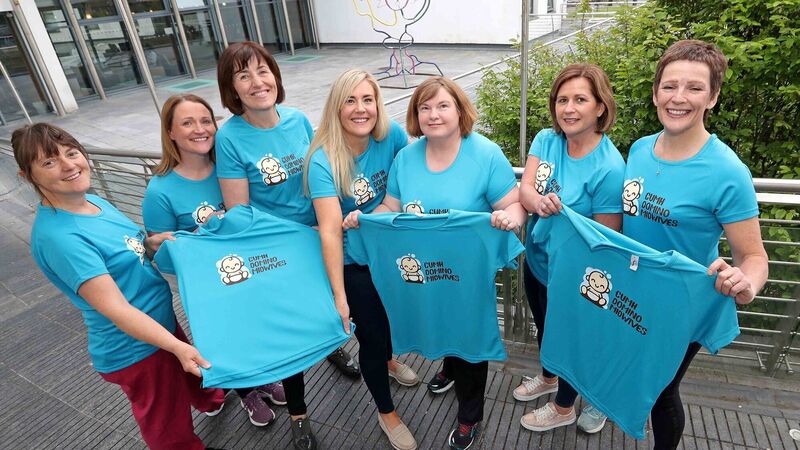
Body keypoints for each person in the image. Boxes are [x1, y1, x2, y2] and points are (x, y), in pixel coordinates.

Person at [11, 123, 225, 450]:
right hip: (134, 347)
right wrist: (176, 346)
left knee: (190, 376)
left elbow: (129, 250)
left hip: (159, 323)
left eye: (71, 153)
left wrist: (150, 244)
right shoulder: (61, 238)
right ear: (27, 176)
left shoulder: (95, 203)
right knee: (166, 422)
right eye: (49, 162)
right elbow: (118, 310)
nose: (69, 165)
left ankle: (211, 401)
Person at [344, 76, 527, 450]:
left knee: (469, 339)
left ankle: (469, 415)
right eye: (424, 107)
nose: (433, 114)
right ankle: (449, 368)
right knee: (439, 321)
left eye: (443, 106)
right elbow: (391, 205)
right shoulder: (406, 158)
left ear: (459, 110)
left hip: (467, 275)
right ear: (415, 116)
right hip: (423, 273)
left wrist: (509, 217)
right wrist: (365, 220)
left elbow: (514, 203)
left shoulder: (485, 154)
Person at [623, 40, 767, 449]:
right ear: (655, 93)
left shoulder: (727, 172)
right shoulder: (639, 149)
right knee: (636, 370)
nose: (679, 97)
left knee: (663, 390)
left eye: (694, 88)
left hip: (683, 306)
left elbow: (753, 256)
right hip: (634, 292)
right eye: (669, 86)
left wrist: (747, 282)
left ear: (713, 97)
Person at [213, 40, 353, 450]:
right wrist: (294, 237)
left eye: (263, 71)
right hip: (278, 252)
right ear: (232, 89)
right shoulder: (230, 138)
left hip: (319, 237)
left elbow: (319, 176)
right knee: (291, 335)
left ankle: (332, 349)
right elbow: (239, 214)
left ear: (275, 75)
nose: (257, 82)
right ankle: (298, 414)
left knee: (331, 306)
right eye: (243, 76)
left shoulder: (297, 120)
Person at [141, 93, 287, 428]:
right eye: (187, 123)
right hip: (207, 286)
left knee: (256, 331)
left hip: (249, 272)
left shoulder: (229, 167)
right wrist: (187, 240)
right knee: (227, 340)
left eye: (206, 121)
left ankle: (263, 377)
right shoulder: (160, 191)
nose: (200, 129)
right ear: (170, 132)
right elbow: (162, 255)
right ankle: (245, 391)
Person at [304, 69, 419, 450]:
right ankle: (387, 413)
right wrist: (339, 295)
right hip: (355, 263)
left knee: (390, 325)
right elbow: (329, 231)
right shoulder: (323, 160)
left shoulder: (392, 137)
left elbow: (416, 173)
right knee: (371, 336)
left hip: (392, 256)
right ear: (336, 108)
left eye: (368, 99)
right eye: (350, 101)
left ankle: (389, 360)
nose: (360, 109)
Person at [514, 63, 625, 434]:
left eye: (580, 99)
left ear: (600, 107)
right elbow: (525, 189)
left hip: (574, 276)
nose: (569, 108)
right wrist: (538, 202)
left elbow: (604, 239)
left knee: (571, 341)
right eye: (562, 100)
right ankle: (548, 378)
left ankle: (564, 407)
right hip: (538, 260)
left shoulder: (609, 167)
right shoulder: (547, 139)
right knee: (545, 328)